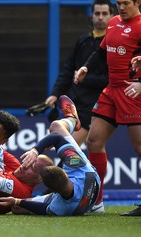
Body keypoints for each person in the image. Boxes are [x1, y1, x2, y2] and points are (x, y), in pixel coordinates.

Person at [74, 0, 141, 214]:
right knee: (94, 140)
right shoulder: (113, 23)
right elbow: (102, 52)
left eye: (126, 3)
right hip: (111, 91)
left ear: (137, 2)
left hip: (133, 92)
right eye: (118, 3)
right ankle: (97, 202)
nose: (121, 7)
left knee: (140, 147)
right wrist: (86, 66)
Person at [0, 96, 101, 216]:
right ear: (66, 172)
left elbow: (43, 209)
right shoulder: (78, 167)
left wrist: (17, 201)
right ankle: (72, 120)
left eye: (33, 167)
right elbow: (56, 136)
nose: (26, 165)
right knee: (56, 126)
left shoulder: (58, 204)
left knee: (16, 208)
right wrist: (36, 151)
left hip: (91, 185)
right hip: (91, 178)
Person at [45, 0, 113, 146]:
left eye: (104, 13)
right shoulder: (83, 40)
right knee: (59, 147)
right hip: (73, 102)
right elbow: (68, 69)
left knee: (68, 149)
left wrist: (84, 79)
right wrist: (55, 93)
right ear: (92, 15)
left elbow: (110, 79)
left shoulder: (114, 45)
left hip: (95, 105)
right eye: (97, 13)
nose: (100, 17)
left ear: (111, 16)